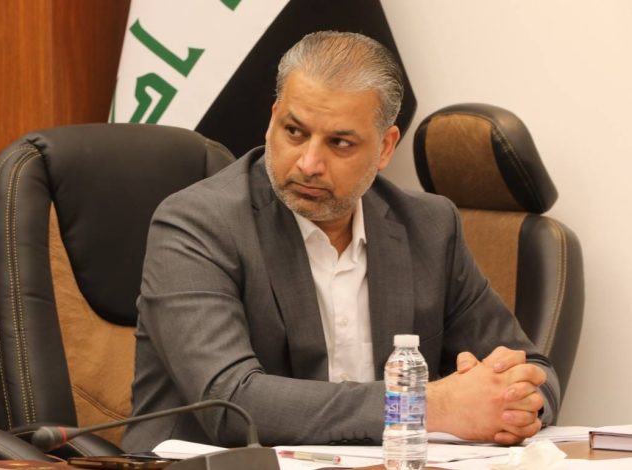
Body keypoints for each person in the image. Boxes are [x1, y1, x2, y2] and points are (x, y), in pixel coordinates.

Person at [122, 31, 559, 451]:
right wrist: (427, 406)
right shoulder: (198, 224)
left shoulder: (429, 227)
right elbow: (232, 403)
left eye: (340, 142)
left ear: (385, 147)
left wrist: (515, 401)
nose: (309, 163)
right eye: (295, 132)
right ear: (273, 120)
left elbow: (535, 368)